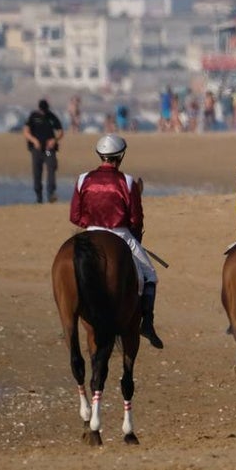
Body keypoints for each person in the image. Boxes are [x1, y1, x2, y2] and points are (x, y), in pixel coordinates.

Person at [69, 135, 164, 348]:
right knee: (150, 275)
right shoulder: (128, 181)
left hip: (91, 230)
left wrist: (94, 223)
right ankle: (147, 324)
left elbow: (75, 217)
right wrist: (133, 235)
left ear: (100, 155)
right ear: (121, 156)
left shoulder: (83, 178)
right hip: (121, 234)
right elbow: (136, 219)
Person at [22, 99, 64, 204]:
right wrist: (34, 140)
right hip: (37, 150)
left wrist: (54, 140)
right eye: (42, 110)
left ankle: (51, 194)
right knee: (37, 172)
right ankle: (39, 197)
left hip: (48, 150)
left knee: (51, 167)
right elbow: (26, 132)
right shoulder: (33, 116)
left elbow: (60, 131)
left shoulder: (51, 117)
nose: (43, 112)